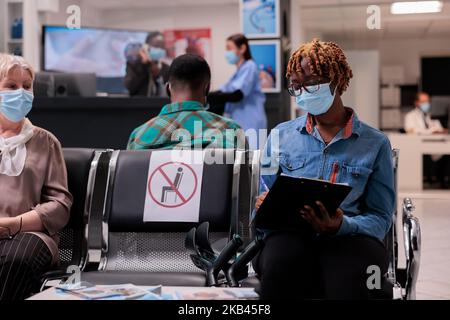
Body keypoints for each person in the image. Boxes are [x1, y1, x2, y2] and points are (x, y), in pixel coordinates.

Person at [252, 39, 395, 299]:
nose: (304, 91)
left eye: (312, 81)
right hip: (290, 235)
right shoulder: (279, 136)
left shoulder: (376, 145)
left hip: (350, 238)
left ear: (337, 81)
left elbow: (380, 217)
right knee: (279, 267)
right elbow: (264, 198)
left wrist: (342, 224)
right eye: (297, 84)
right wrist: (264, 206)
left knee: (348, 281)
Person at [0, 54, 72, 300]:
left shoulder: (46, 141)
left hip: (29, 235)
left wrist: (14, 224)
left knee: (16, 258)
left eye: (26, 86)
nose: (21, 93)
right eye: (11, 86)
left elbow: (60, 205)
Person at [127, 54, 244, 150]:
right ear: (207, 89)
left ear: (168, 89)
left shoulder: (139, 136)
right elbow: (243, 177)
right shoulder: (230, 130)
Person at [208, 34, 267, 149]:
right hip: (240, 121)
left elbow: (237, 95)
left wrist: (210, 97)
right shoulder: (238, 72)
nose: (227, 53)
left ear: (242, 49)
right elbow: (224, 91)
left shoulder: (250, 67)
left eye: (229, 48)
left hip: (251, 121)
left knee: (252, 159)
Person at [404, 92, 449, 188]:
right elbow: (411, 130)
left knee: (445, 153)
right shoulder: (410, 116)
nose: (426, 104)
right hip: (416, 147)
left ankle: (441, 182)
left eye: (428, 101)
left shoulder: (430, 116)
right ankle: (429, 180)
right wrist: (431, 131)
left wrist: (439, 131)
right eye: (423, 101)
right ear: (417, 103)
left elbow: (438, 128)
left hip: (435, 145)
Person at [124, 31, 170, 97]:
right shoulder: (133, 65)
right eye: (156, 45)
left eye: (162, 46)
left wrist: (158, 75)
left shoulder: (166, 68)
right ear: (146, 46)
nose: (159, 49)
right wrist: (144, 66)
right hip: (138, 105)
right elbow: (130, 86)